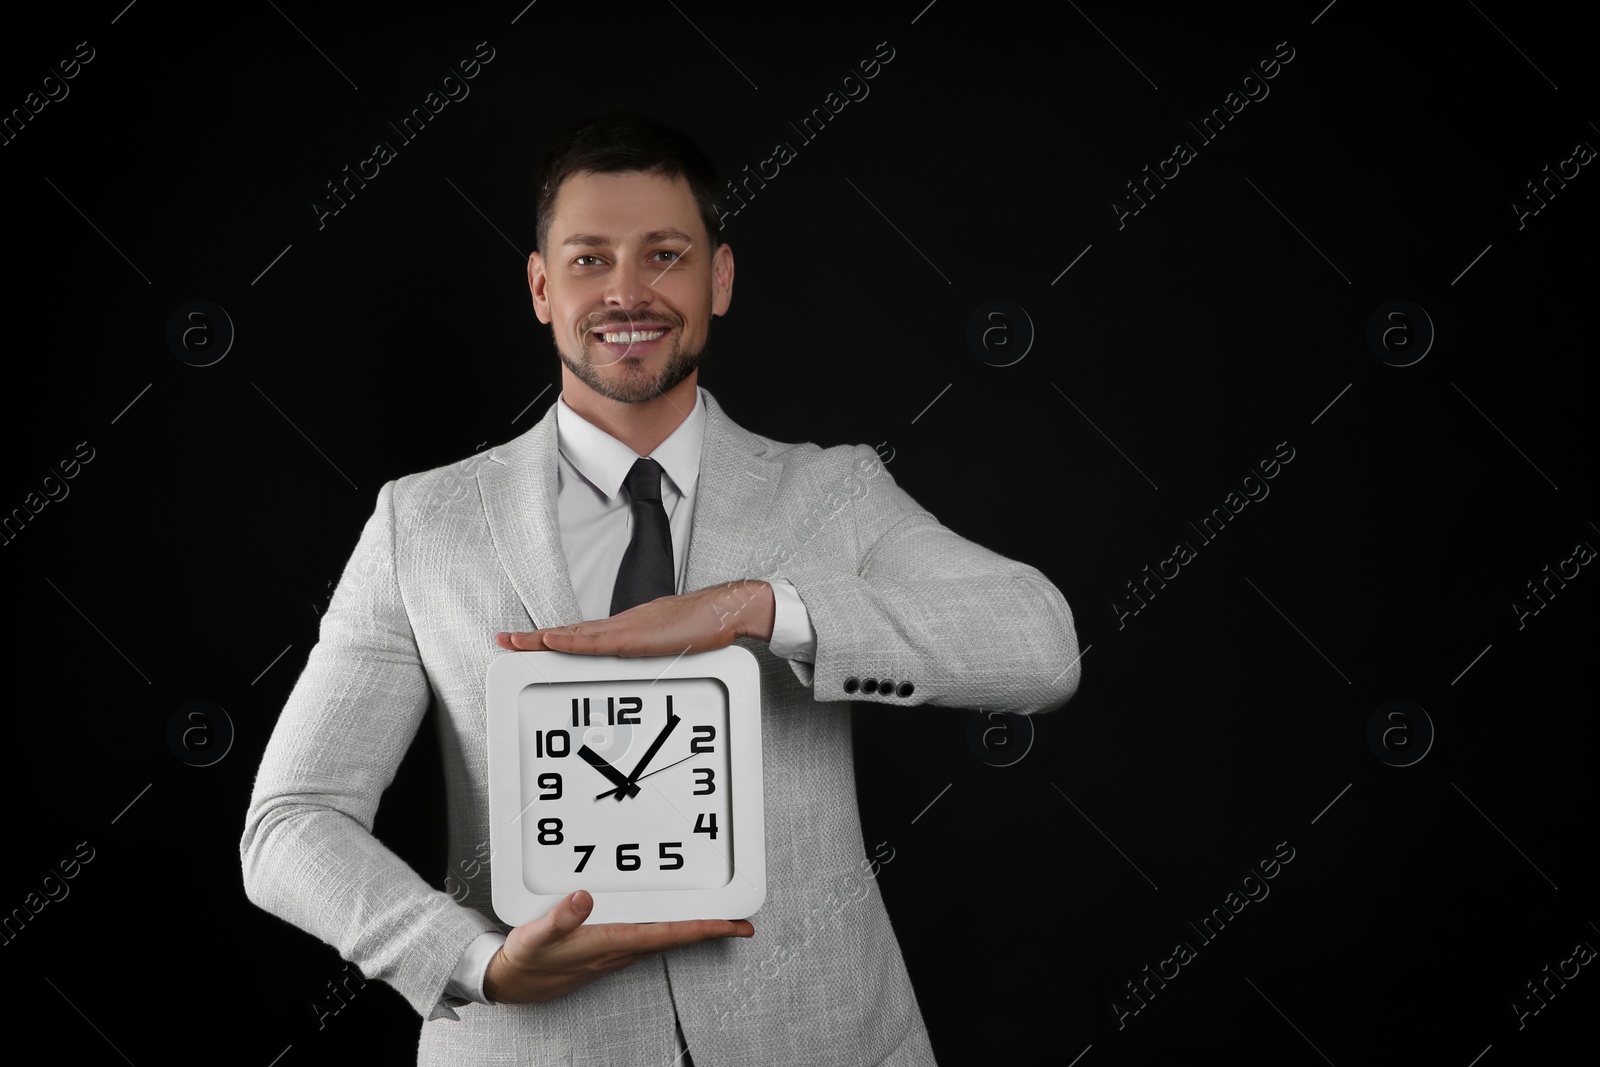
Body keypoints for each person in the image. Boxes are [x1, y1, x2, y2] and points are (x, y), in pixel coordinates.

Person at [240, 112, 1082, 1066]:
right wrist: (474, 960)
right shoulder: (421, 525)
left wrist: (761, 606)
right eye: (590, 260)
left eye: (665, 254)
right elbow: (291, 821)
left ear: (720, 278)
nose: (628, 292)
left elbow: (1041, 642)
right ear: (541, 287)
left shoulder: (834, 492)